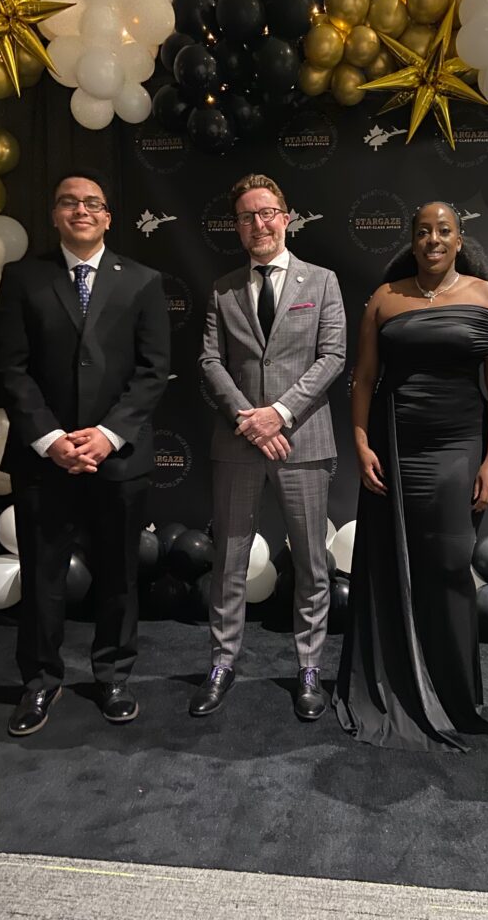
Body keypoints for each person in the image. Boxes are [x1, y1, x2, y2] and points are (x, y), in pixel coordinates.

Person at [333, 202, 488, 751]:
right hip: (392, 446)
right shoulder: (386, 300)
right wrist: (361, 442)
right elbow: (363, 378)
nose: (433, 239)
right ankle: (391, 683)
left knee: (449, 563)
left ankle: (452, 694)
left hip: (458, 447)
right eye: (423, 232)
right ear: (412, 241)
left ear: (460, 240)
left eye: (444, 231)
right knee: (389, 563)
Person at [0, 171, 170, 736]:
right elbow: (12, 369)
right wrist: (51, 440)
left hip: (117, 456)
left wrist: (106, 434)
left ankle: (113, 676)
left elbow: (152, 372)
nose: (81, 210)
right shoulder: (23, 278)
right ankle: (40, 682)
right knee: (42, 574)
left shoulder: (143, 281)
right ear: (54, 214)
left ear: (109, 216)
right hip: (43, 458)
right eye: (69, 201)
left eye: (93, 202)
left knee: (119, 573)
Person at [193, 173, 346, 721]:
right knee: (230, 559)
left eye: (266, 213)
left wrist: (277, 415)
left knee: (310, 561)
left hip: (302, 441)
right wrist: (248, 419)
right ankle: (222, 662)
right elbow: (211, 361)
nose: (257, 224)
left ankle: (308, 667)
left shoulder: (322, 282)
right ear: (237, 226)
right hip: (238, 443)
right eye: (245, 216)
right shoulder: (223, 288)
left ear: (286, 216)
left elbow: (332, 357)